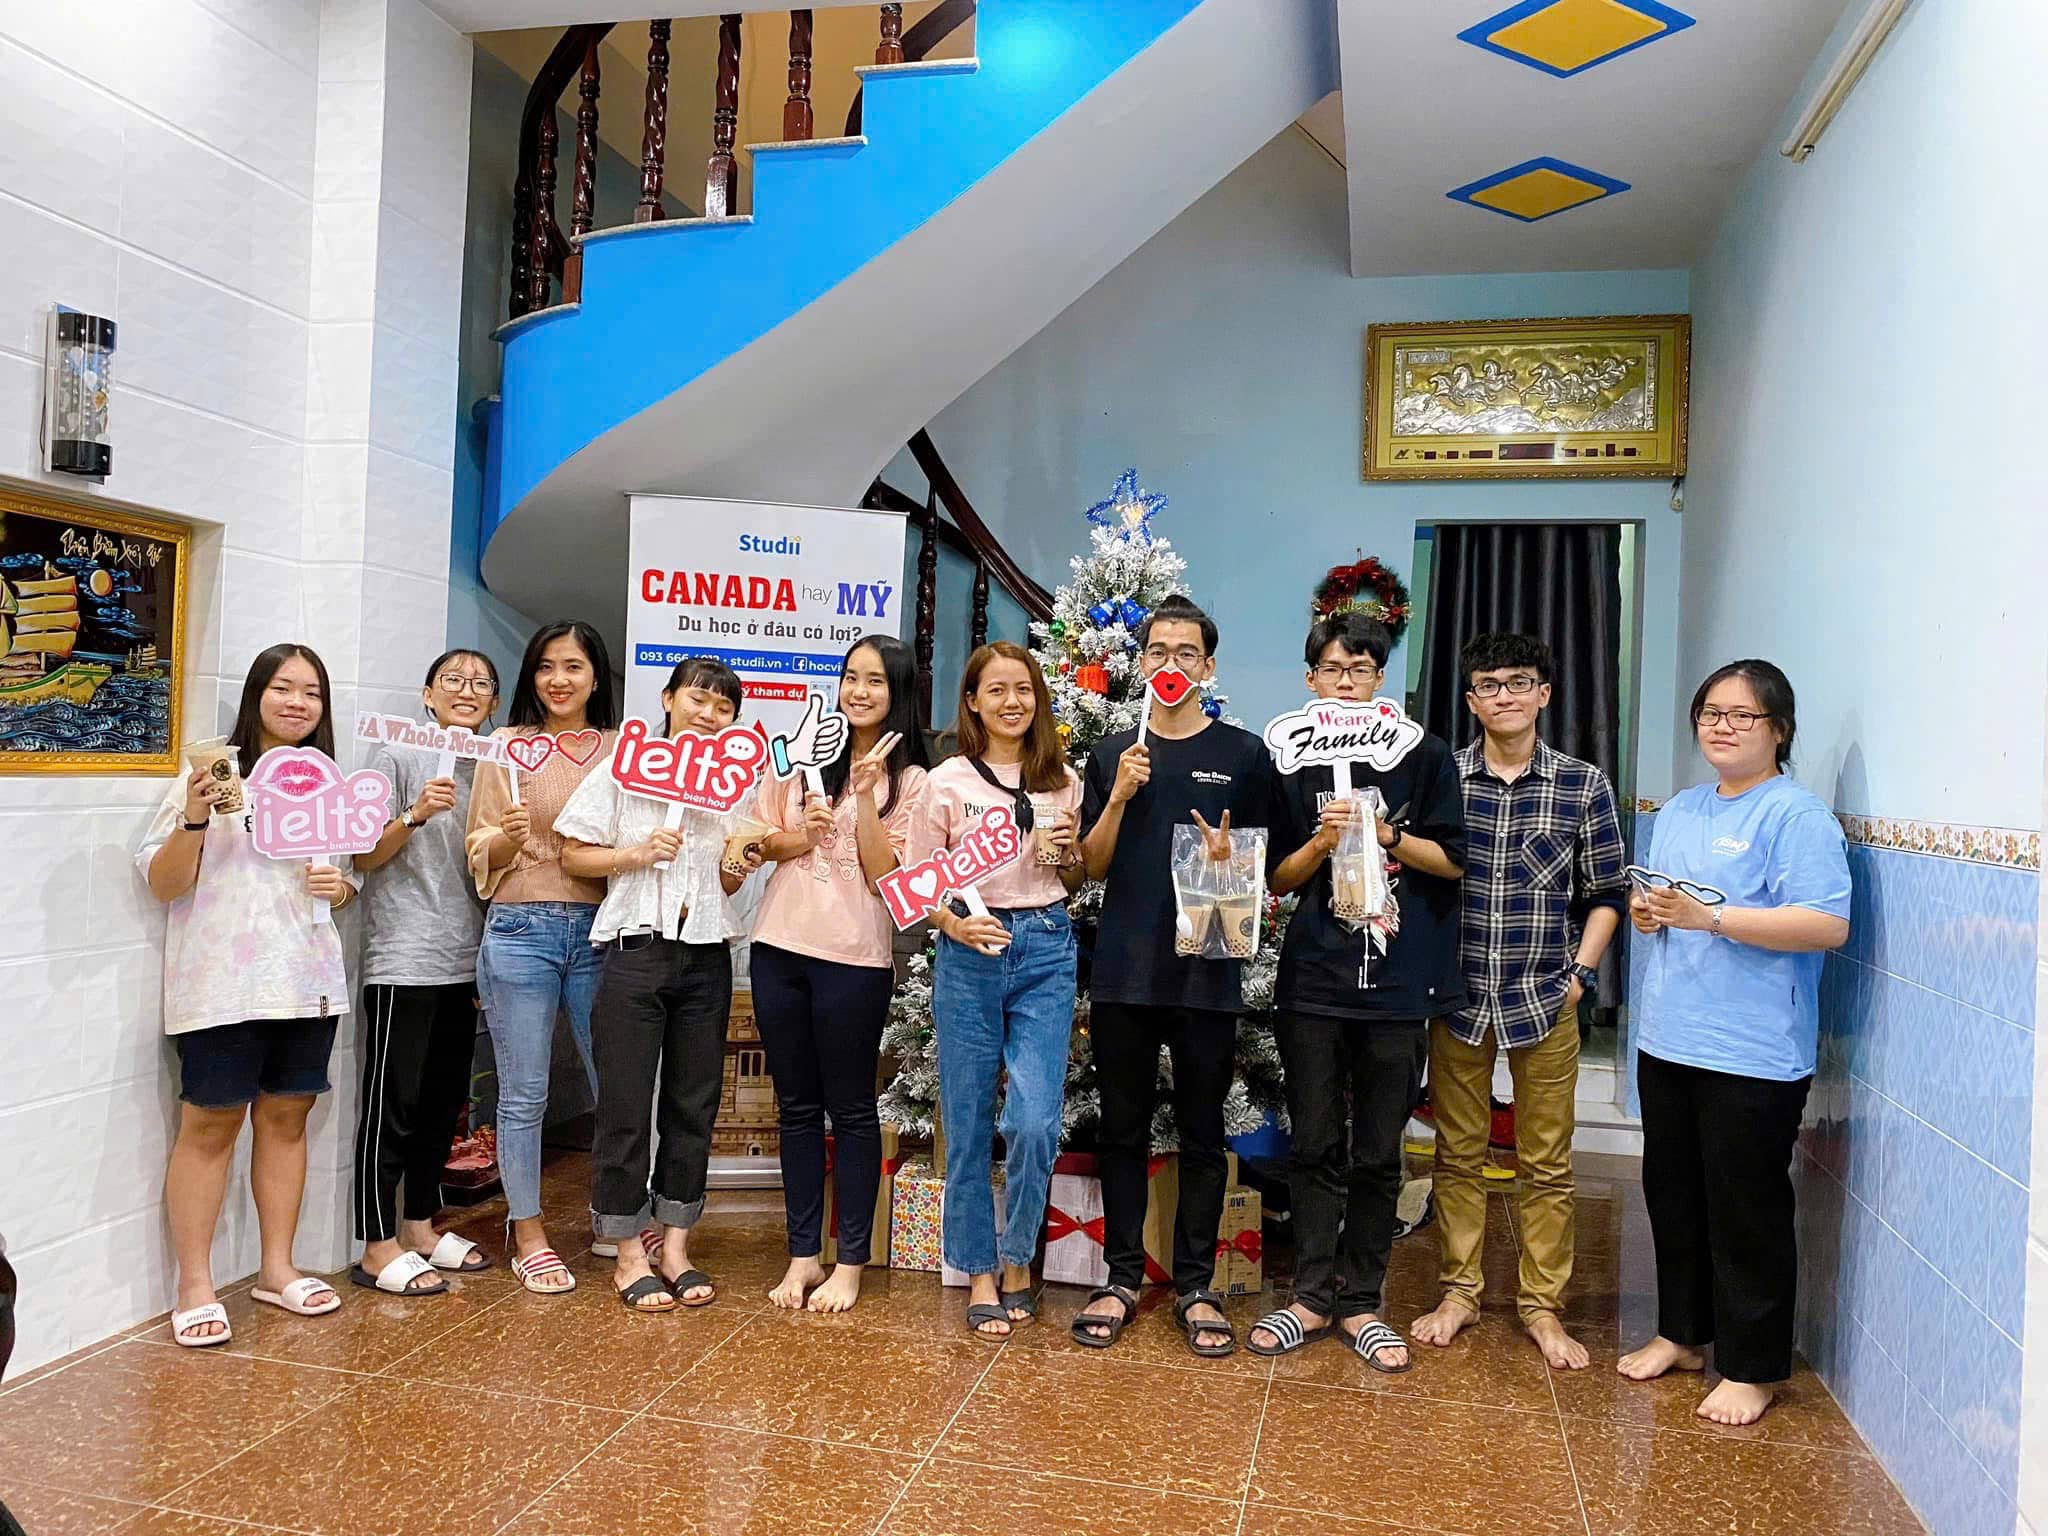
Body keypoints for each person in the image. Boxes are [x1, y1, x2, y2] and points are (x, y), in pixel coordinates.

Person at [1620, 659, 1850, 1426]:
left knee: (1745, 1206)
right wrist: (1651, 912)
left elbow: (1827, 924)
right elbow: (1664, 899)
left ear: (1779, 729)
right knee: (1672, 1193)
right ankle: (1682, 1334)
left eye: (1741, 715)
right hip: (1670, 1037)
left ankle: (1753, 1368)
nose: (1721, 727)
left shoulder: (1795, 816)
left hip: (1752, 1050)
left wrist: (1710, 918)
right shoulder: (1683, 809)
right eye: (1710, 713)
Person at [1248, 612, 1465, 1372]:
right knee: (1313, 1144)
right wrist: (1321, 838)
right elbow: (1274, 880)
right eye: (1334, 670)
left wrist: (1386, 834)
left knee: (1378, 1152)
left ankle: (1363, 1300)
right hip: (1314, 981)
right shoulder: (1287, 758)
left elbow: (1454, 861)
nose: (1347, 683)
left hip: (1399, 985)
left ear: (1380, 679)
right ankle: (1310, 1295)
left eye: (1362, 670)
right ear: (1311, 680)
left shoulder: (1423, 753)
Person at [1412, 633, 1627, 1370]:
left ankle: (1542, 1306)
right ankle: (1459, 1293)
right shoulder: (1443, 777)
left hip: (1546, 996)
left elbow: (1606, 893)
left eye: (1519, 682)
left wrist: (1580, 974)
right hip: (1459, 994)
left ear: (1544, 693)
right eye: (1489, 684)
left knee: (1547, 1161)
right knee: (1456, 1154)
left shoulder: (1582, 784)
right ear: (1471, 700)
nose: (1504, 695)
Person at [1073, 596, 1275, 1356]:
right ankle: (1121, 1276)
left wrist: (1233, 862)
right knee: (1121, 1130)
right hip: (1125, 971)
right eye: (1158, 650)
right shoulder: (1112, 754)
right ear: (1142, 662)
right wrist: (1120, 797)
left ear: (1207, 667)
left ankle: (1195, 1284)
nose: (1170, 664)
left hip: (1208, 971)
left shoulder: (1244, 755)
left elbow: (1267, 864)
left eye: (1186, 652)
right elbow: (1090, 866)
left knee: (1202, 1133)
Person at [139, 643, 357, 1345]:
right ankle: (195, 1285)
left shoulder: (325, 784)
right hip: (221, 983)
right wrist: (195, 818)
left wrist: (341, 888)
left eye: (312, 692)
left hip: (306, 980)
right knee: (209, 1125)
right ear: (256, 694)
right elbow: (164, 884)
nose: (298, 702)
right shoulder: (209, 778)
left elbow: (340, 885)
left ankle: (277, 1268)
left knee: (288, 1120)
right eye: (283, 687)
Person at [556, 656, 757, 1311]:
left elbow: (727, 880)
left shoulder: (733, 785)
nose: (709, 714)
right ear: (669, 699)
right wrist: (636, 854)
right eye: (698, 699)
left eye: (724, 707)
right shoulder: (625, 766)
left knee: (693, 1106)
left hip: (706, 956)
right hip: (635, 951)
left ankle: (675, 1246)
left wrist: (740, 864)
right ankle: (626, 1253)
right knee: (624, 1107)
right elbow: (573, 852)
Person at [911, 642, 1085, 1339]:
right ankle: (980, 1272)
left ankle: (1019, 1259)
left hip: (1046, 944)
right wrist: (954, 925)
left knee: (1035, 1120)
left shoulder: (1062, 781)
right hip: (970, 953)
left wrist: (1069, 853)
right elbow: (919, 886)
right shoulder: (945, 782)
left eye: (1024, 689)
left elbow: (1073, 877)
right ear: (973, 702)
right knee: (969, 1118)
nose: (1012, 702)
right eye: (997, 690)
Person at [752, 636, 930, 1314]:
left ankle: (849, 1262)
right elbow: (759, 842)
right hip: (778, 946)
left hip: (855, 959)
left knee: (851, 1110)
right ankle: (803, 1255)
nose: (859, 691)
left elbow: (891, 881)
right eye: (851, 677)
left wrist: (864, 800)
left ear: (899, 691)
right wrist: (802, 831)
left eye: (875, 680)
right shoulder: (802, 754)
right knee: (796, 1109)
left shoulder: (914, 781)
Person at [465, 621, 618, 1295]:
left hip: (601, 931)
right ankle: (527, 1232)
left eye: (573, 666)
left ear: (596, 676)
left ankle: (616, 1216)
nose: (559, 679)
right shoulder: (506, 747)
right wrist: (507, 836)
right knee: (525, 1093)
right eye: (546, 666)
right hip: (520, 926)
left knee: (615, 1086)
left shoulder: (622, 749)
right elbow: (479, 849)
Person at [347, 648, 502, 1297]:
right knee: (393, 1105)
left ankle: (419, 1227)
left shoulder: (494, 767)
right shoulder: (396, 755)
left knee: (443, 1105)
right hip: (403, 957)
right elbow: (361, 853)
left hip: (466, 960)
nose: (467, 690)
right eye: (453, 681)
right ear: (428, 694)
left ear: (493, 703)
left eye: (481, 683)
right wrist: (414, 814)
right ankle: (375, 1244)